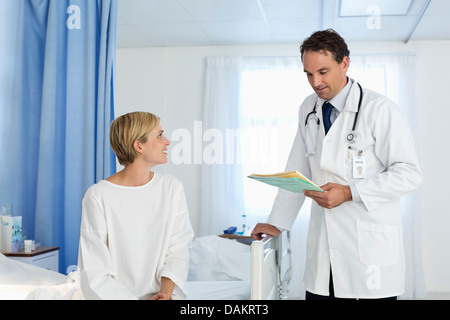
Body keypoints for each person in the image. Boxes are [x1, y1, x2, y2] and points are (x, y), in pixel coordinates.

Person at [250, 29, 422, 300]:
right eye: (308, 74)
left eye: (323, 71)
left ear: (345, 63)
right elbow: (298, 171)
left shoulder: (379, 109)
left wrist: (349, 192)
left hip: (369, 257)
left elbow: (409, 173)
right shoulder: (308, 108)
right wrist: (277, 224)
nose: (315, 82)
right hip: (324, 257)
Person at [78, 111, 194, 300]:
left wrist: (165, 293)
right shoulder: (98, 196)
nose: (167, 141)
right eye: (159, 135)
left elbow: (178, 248)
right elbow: (94, 270)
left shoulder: (172, 188)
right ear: (138, 145)